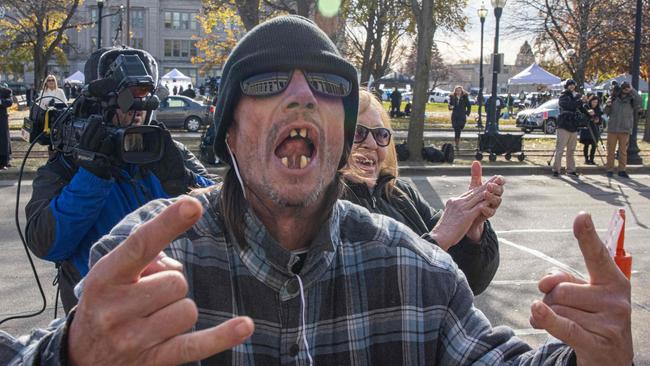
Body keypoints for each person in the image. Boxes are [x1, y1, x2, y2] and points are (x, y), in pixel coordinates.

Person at [1, 15, 633, 366]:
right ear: (226, 133)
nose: (302, 95)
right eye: (270, 82)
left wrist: (591, 359)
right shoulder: (146, 259)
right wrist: (72, 355)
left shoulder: (415, 270)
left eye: (328, 87)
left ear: (339, 137)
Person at [24, 47, 217, 313]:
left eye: (145, 97)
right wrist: (92, 176)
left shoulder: (168, 152)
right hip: (100, 324)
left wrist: (182, 181)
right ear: (98, 100)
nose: (137, 109)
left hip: (174, 310)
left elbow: (225, 212)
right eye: (127, 98)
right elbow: (45, 243)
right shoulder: (70, 161)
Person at [342, 90, 501, 295]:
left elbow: (472, 281)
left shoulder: (400, 193)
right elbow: (374, 292)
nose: (372, 144)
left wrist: (472, 231)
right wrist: (438, 239)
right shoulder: (327, 206)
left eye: (380, 134)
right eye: (358, 132)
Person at [604, 81, 642, 178]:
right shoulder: (613, 98)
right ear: (621, 88)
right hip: (613, 128)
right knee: (610, 151)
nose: (625, 90)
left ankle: (622, 170)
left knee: (623, 151)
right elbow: (606, 111)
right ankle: (610, 169)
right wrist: (608, 105)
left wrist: (632, 89)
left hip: (625, 128)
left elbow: (639, 100)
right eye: (624, 88)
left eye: (627, 88)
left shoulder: (632, 99)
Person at [552, 79, 585, 177]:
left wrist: (587, 105)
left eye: (573, 85)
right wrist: (579, 101)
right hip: (563, 125)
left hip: (573, 125)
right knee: (560, 149)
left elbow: (581, 108)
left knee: (571, 150)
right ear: (566, 86)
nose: (572, 87)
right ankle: (556, 169)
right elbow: (569, 105)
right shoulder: (563, 96)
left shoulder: (577, 96)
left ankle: (570, 169)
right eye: (570, 85)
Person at [579, 95, 603, 165]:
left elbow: (600, 120)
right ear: (590, 101)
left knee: (594, 145)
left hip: (595, 128)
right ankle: (586, 159)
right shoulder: (586, 107)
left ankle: (592, 159)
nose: (594, 103)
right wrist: (589, 115)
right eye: (593, 102)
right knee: (586, 144)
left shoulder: (598, 109)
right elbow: (582, 117)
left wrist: (597, 120)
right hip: (587, 128)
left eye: (596, 102)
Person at [448, 85, 471, 151]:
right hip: (455, 116)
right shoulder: (452, 97)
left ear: (461, 91)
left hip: (462, 116)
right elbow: (450, 106)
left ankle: (457, 142)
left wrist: (467, 113)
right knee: (456, 129)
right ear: (455, 91)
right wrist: (450, 107)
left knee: (459, 128)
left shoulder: (465, 97)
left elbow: (469, 106)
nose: (458, 92)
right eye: (457, 91)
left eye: (459, 91)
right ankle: (457, 144)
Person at [0, 85, 12, 170]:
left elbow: (10, 102)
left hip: (1, 119)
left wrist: (0, 101)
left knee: (3, 140)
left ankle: (3, 162)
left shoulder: (5, 90)